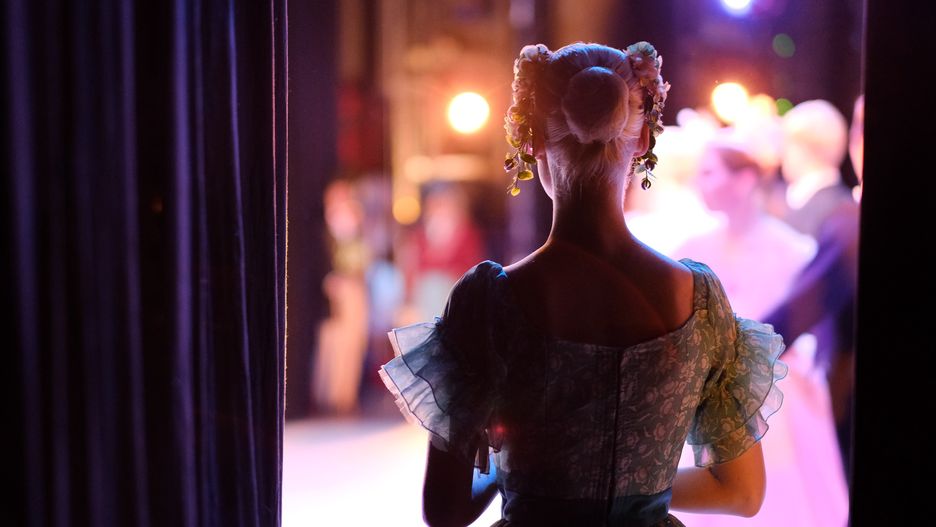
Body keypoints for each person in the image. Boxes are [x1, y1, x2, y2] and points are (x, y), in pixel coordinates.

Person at [379, 42, 787, 526]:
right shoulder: (698, 301)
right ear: (642, 141)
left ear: (529, 141)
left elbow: (445, 511)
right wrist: (635, 481)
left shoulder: (487, 304)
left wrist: (523, 475)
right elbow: (742, 492)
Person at [674, 142, 848, 527]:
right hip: (707, 390)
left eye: (710, 172)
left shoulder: (792, 249)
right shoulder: (692, 249)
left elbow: (805, 333)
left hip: (773, 390)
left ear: (745, 179)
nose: (700, 183)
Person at [763, 96, 862, 486]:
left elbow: (804, 305)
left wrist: (741, 346)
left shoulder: (839, 219)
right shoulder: (838, 211)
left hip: (827, 372)